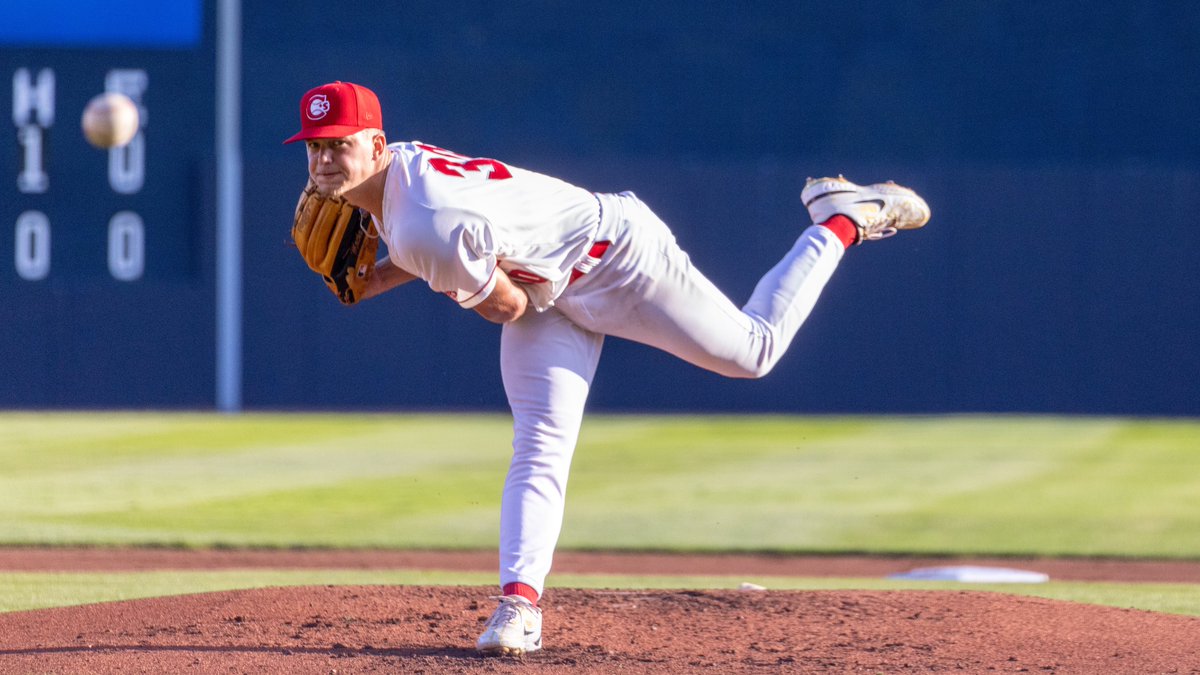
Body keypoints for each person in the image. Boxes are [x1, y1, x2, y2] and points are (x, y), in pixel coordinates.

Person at [284, 81, 930, 656]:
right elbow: (450, 244)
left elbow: (504, 305)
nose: (322, 160)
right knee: (539, 444)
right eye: (313, 146)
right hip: (549, 276)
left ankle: (840, 218)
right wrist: (379, 275)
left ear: (376, 144)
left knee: (753, 352)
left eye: (337, 145)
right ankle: (518, 606)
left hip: (617, 260)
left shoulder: (426, 222)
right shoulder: (404, 176)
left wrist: (395, 276)